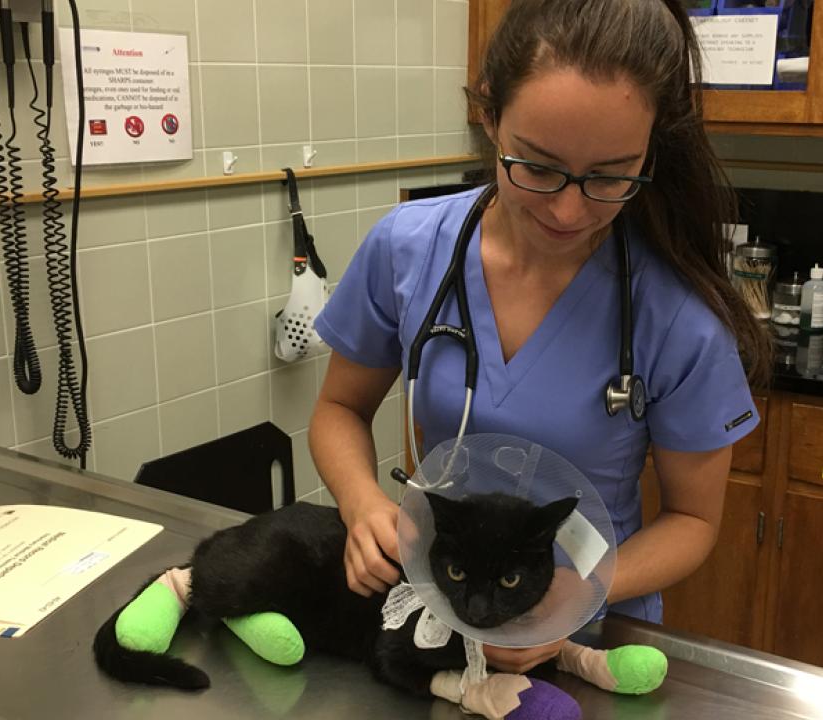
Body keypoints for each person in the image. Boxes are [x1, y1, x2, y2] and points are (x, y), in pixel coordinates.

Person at [309, 0, 769, 676]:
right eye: (538, 165)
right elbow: (338, 410)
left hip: (592, 636)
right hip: (443, 610)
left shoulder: (678, 316)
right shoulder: (407, 249)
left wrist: (581, 591)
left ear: (651, 149)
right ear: (489, 115)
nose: (568, 209)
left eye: (610, 175)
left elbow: (693, 522)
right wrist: (362, 504)